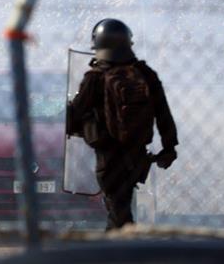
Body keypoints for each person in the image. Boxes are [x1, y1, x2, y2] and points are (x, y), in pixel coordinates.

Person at [66, 19, 178, 230]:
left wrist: (78, 127)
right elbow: (163, 112)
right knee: (121, 208)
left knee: (118, 213)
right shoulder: (145, 74)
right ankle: (121, 249)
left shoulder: (95, 78)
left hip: (108, 157)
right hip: (136, 155)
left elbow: (74, 114)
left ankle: (121, 251)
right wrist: (169, 146)